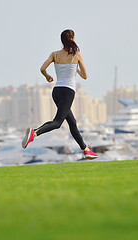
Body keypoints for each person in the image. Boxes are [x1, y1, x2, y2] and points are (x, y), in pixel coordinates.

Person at [22, 29, 98, 160]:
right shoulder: (77, 55)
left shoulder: (55, 54)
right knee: (57, 123)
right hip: (68, 92)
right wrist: (76, 69)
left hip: (56, 91)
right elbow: (85, 76)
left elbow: (42, 69)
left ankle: (85, 149)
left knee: (72, 123)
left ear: (62, 41)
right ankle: (34, 133)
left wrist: (47, 76)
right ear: (72, 39)